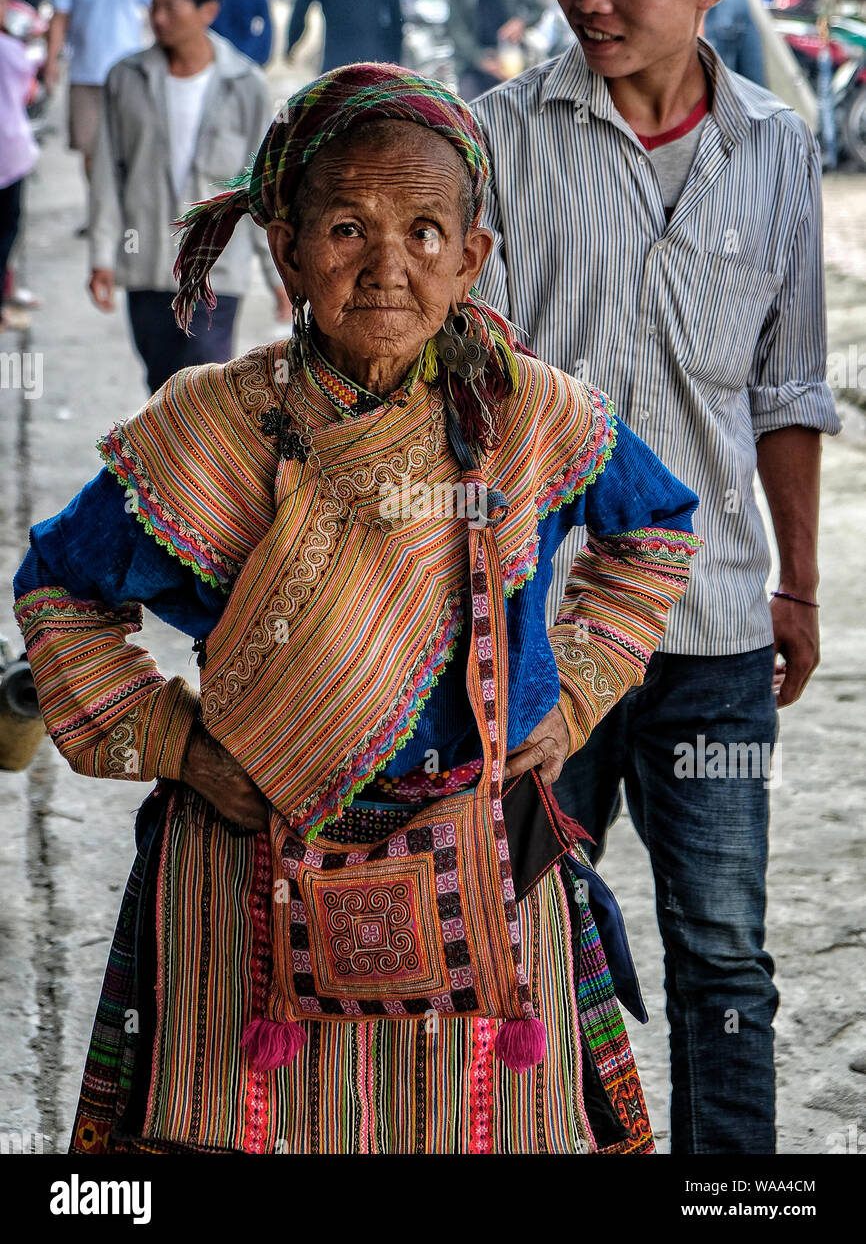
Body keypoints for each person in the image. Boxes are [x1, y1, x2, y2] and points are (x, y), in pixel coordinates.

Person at [14, 61, 703, 1156]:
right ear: (283, 248)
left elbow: (656, 530)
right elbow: (57, 589)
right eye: (345, 227)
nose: (388, 265)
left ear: (471, 257)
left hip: (481, 859)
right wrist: (181, 748)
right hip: (247, 871)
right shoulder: (208, 429)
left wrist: (566, 700)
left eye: (427, 231)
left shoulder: (525, 413)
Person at [472, 0, 841, 1156]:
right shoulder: (496, 134)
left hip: (715, 638)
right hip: (532, 640)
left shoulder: (778, 152)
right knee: (503, 944)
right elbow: (464, 386)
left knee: (722, 958)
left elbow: (787, 388)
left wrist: (794, 580)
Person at [88, 0, 290, 394]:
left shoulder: (246, 84)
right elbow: (107, 173)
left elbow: (259, 188)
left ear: (208, 12)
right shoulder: (126, 78)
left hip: (216, 272)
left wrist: (278, 276)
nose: (157, 19)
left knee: (202, 390)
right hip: (145, 264)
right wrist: (103, 256)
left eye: (171, 9)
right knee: (159, 388)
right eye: (153, 7)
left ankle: (193, 465)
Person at [44, 0, 155, 188]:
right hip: (85, 73)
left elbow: (158, 11)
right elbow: (59, 19)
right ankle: (100, 212)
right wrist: (51, 63)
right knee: (90, 151)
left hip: (130, 72)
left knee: (129, 147)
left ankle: (125, 210)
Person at [0, 0, 38, 329]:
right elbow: (29, 91)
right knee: (7, 230)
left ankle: (8, 290)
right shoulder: (11, 50)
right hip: (8, 157)